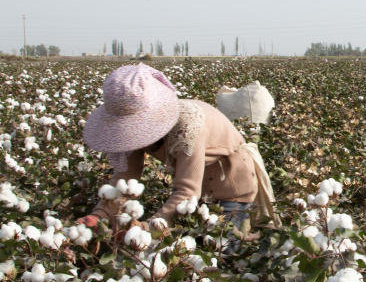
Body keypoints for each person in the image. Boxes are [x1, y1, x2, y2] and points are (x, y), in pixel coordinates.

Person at [77, 65, 277, 231]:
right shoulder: (130, 134)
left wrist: (146, 229)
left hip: (231, 187)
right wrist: (98, 216)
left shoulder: (189, 125)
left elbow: (187, 191)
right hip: (199, 191)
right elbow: (124, 179)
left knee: (222, 252)